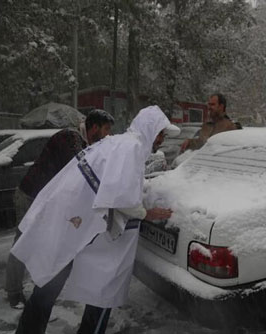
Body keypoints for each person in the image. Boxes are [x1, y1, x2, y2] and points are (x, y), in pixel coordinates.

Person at [10, 105, 179, 334]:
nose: (161, 139)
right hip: (74, 217)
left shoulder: (120, 143)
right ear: (149, 128)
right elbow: (121, 197)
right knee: (95, 286)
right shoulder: (132, 147)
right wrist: (146, 212)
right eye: (160, 133)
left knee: (52, 277)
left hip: (72, 216)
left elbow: (113, 186)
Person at [6, 109, 115, 309]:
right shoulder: (69, 137)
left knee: (44, 240)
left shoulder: (81, 142)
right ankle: (13, 293)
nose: (108, 135)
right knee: (23, 241)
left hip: (43, 199)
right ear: (94, 127)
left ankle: (41, 281)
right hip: (30, 195)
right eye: (106, 129)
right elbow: (81, 169)